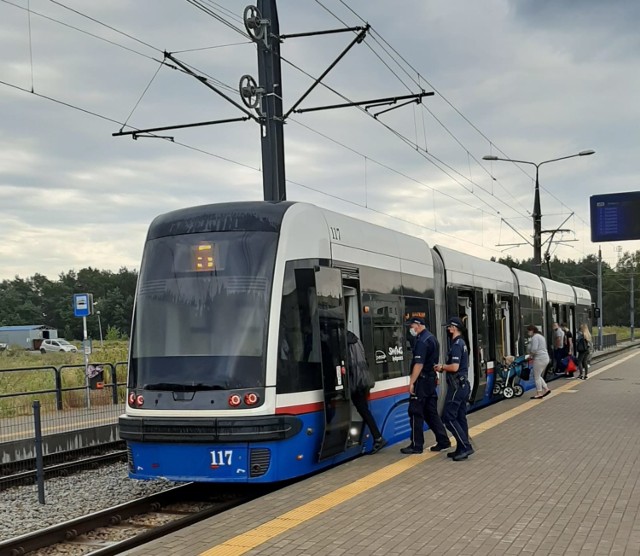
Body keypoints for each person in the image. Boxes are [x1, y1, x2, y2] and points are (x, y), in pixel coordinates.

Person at [400, 317, 450, 455]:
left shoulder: (422, 341)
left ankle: (416, 445)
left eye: (412, 326)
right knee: (431, 413)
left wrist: (411, 382)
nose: (411, 329)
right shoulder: (432, 338)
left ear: (418, 325)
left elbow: (419, 364)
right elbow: (433, 362)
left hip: (421, 382)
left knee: (415, 412)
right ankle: (443, 440)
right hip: (430, 381)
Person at [434, 317, 473, 461]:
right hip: (463, 385)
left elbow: (455, 367)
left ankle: (465, 446)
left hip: (457, 386)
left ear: (455, 327)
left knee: (448, 417)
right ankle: (462, 447)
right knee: (460, 417)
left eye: (449, 326)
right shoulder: (461, 343)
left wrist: (442, 367)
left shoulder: (457, 344)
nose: (447, 329)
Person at [346, 330, 387, 454]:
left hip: (355, 382)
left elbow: (348, 364)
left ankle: (378, 438)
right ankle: (378, 437)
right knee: (363, 410)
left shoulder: (343, 341)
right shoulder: (355, 339)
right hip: (363, 380)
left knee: (362, 410)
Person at [527, 324, 551, 399]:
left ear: (532, 330)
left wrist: (530, 355)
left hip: (539, 358)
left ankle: (539, 393)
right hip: (545, 357)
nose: (528, 333)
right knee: (538, 375)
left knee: (536, 376)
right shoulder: (541, 336)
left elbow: (534, 349)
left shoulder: (535, 337)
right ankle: (546, 389)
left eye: (528, 331)